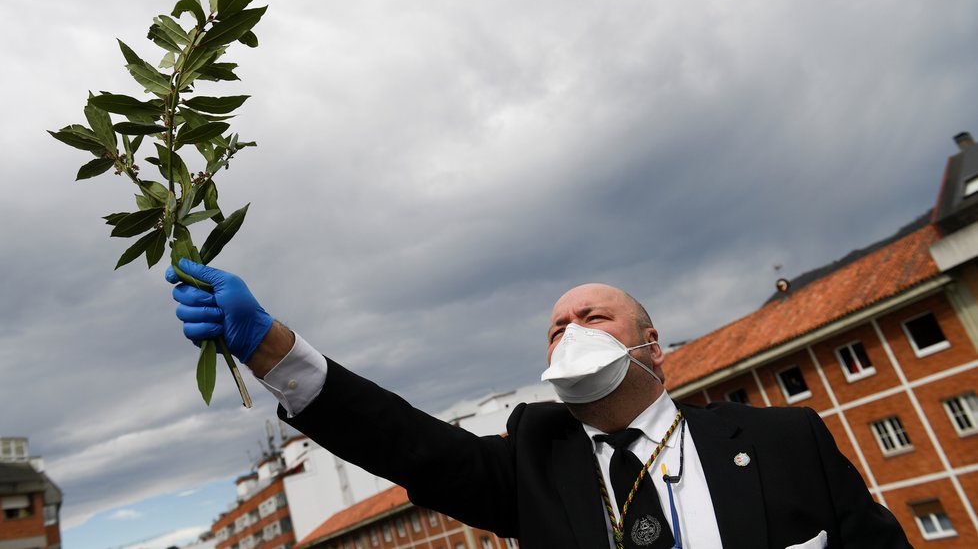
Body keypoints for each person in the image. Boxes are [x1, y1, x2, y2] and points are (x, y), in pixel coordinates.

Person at [167, 259, 912, 549]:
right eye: (557, 327)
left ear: (653, 345)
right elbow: (405, 443)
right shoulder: (533, 461)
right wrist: (270, 346)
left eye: (593, 318)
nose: (571, 331)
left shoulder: (786, 440)